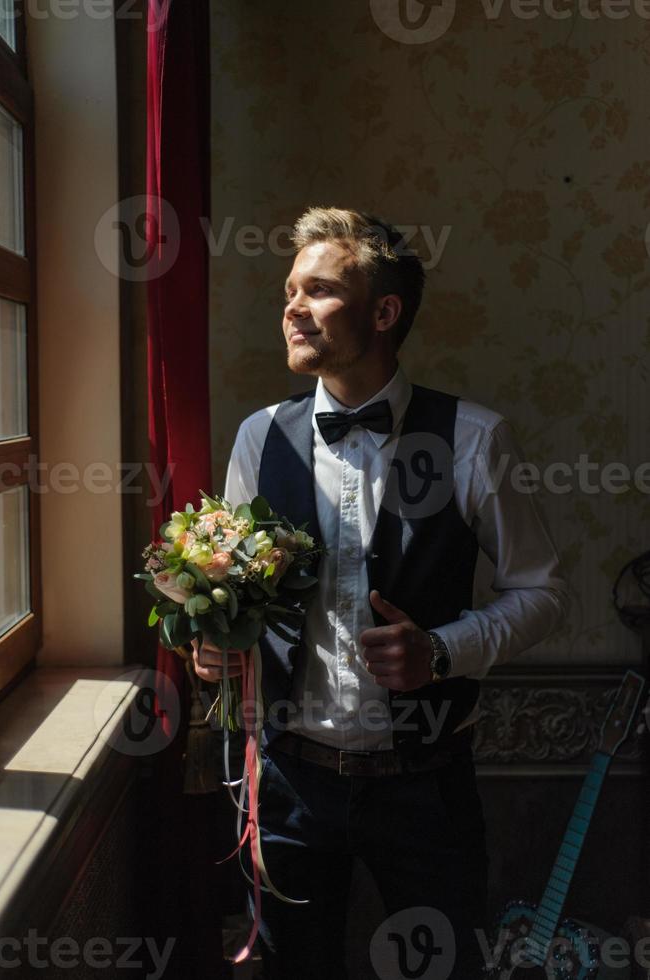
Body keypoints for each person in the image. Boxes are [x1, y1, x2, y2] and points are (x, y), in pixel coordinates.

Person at [192, 207, 570, 979]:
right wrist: (217, 644)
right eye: (288, 291)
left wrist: (441, 650)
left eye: (320, 290)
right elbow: (233, 596)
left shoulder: (474, 438)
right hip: (289, 782)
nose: (292, 307)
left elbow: (542, 591)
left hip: (425, 791)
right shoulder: (259, 438)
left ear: (384, 311)